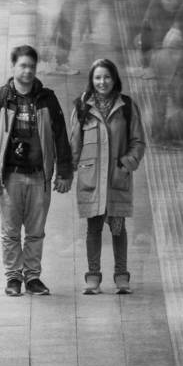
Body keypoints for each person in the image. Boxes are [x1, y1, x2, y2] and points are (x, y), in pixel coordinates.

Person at [0, 45, 73, 296]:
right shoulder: (0, 99)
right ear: (13, 66)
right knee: (10, 231)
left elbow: (61, 136)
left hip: (39, 176)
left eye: (31, 66)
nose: (28, 71)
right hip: (10, 176)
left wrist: (64, 172)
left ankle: (32, 276)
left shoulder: (47, 99)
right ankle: (13, 277)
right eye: (23, 65)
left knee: (35, 231)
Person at [61, 58, 146, 294]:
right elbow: (74, 144)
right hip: (91, 180)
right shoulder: (82, 107)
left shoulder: (126, 106)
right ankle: (93, 277)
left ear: (114, 79)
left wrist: (126, 164)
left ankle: (121, 276)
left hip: (117, 178)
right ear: (91, 80)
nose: (102, 82)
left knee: (118, 228)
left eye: (107, 77)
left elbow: (138, 141)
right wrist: (66, 173)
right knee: (93, 228)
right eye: (98, 77)